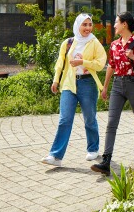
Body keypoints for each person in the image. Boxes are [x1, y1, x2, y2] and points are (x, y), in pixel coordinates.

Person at [91, 12, 134, 175]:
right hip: (118, 85)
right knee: (111, 123)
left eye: (116, 22)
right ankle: (106, 161)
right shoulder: (114, 45)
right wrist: (105, 87)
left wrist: (133, 57)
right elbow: (111, 66)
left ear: (124, 24)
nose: (114, 25)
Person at [42, 13, 107, 167]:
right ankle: (55, 156)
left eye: (89, 25)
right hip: (69, 84)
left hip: (88, 84)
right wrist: (56, 80)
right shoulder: (68, 43)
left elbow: (100, 63)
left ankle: (93, 148)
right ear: (78, 25)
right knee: (64, 119)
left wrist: (83, 62)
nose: (88, 28)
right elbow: (60, 63)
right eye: (84, 25)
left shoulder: (94, 43)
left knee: (89, 119)